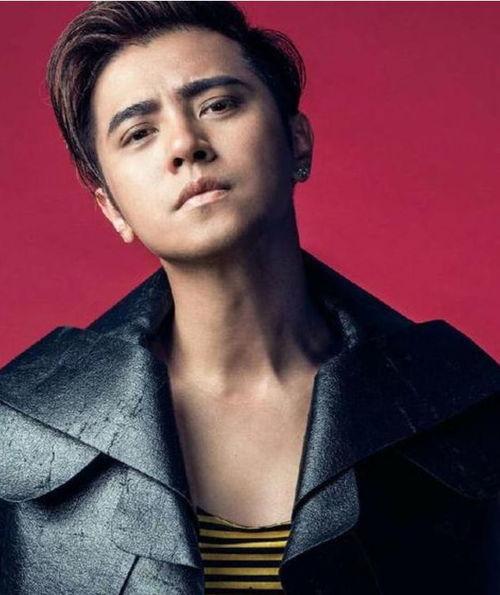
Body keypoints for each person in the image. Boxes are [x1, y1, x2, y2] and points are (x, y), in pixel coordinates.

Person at [0, 2, 499, 594]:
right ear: (111, 206)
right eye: (139, 133)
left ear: (297, 141)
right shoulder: (22, 430)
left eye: (218, 105)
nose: (185, 144)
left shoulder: (463, 406)